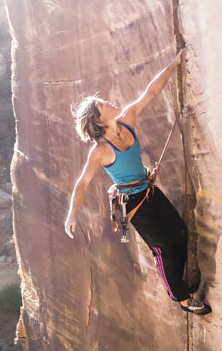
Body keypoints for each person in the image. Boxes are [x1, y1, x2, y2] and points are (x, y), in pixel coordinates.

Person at [63, 49, 210, 315]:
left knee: (180, 232)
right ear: (98, 119)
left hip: (148, 190)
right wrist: (72, 213)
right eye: (102, 105)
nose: (109, 103)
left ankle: (179, 282)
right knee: (163, 245)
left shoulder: (127, 119)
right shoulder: (100, 151)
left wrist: (174, 63)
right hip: (132, 203)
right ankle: (183, 298)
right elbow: (83, 183)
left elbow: (150, 93)